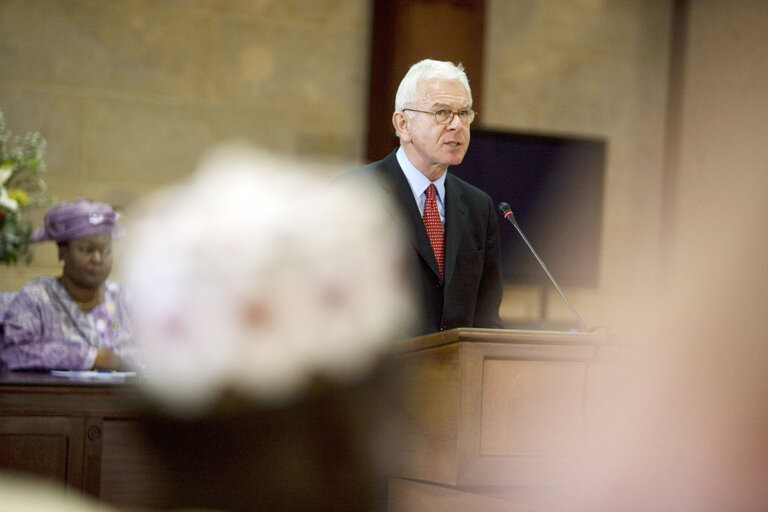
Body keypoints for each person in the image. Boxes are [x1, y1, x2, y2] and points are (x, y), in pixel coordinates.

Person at [341, 59, 503, 335]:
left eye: (464, 113)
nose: (457, 125)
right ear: (403, 124)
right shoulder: (358, 194)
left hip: (458, 373)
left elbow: (486, 319)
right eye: (442, 112)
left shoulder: (479, 207)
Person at [0, 198, 135, 371]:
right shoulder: (38, 297)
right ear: (63, 253)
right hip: (50, 398)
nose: (98, 259)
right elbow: (12, 352)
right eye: (87, 250)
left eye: (106, 251)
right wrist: (93, 358)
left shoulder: (125, 297)